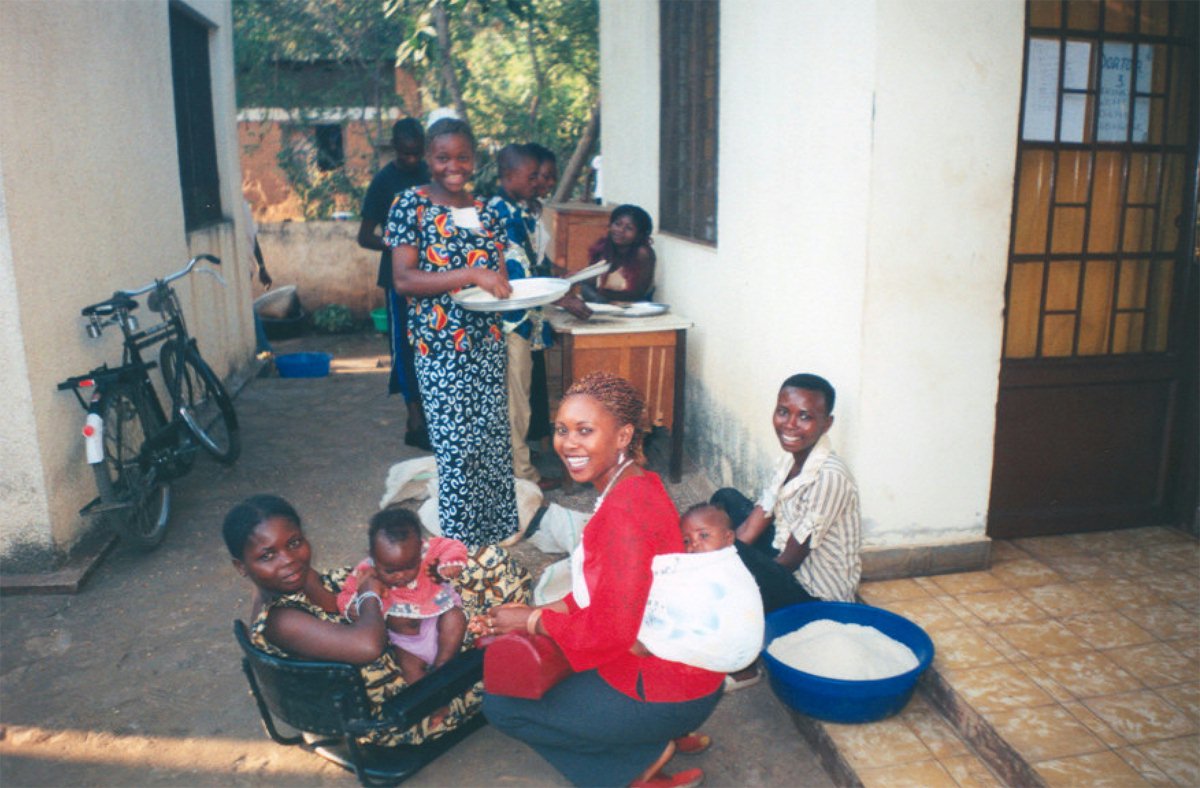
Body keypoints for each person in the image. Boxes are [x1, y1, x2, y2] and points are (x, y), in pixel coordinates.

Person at [478, 372, 722, 788]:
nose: (568, 444)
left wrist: (533, 622)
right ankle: (652, 738)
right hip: (687, 672)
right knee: (552, 656)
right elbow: (608, 593)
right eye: (561, 430)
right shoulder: (640, 484)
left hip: (671, 689)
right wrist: (535, 612)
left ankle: (638, 760)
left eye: (585, 431)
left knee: (502, 705)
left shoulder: (622, 516)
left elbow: (610, 629)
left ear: (624, 434)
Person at [224, 494, 531, 747]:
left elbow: (335, 604)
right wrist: (369, 595)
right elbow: (369, 645)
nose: (288, 559)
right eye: (267, 555)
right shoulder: (281, 620)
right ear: (241, 566)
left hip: (377, 656)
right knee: (491, 627)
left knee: (481, 567)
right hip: (386, 709)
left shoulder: (292, 580)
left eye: (293, 543)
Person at [384, 117, 520, 548]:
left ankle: (492, 550)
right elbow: (403, 279)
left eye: (462, 157)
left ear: (474, 160)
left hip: (486, 345)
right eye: (443, 157)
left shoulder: (486, 211)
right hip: (441, 349)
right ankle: (458, 555)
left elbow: (496, 279)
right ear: (429, 159)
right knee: (458, 454)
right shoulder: (411, 205)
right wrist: (470, 273)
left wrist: (504, 285)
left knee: (493, 450)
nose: (453, 166)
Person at [712, 373, 862, 604]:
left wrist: (733, 566)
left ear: (826, 424)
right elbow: (755, 523)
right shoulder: (789, 459)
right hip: (784, 556)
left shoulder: (829, 478)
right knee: (724, 502)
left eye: (804, 416)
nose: (790, 424)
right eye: (783, 412)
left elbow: (789, 563)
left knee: (723, 551)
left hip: (813, 592)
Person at [679, 502, 815, 691]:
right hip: (744, 616)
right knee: (725, 497)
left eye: (703, 535)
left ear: (728, 538)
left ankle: (745, 672)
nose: (694, 545)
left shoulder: (737, 574)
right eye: (687, 540)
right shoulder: (709, 564)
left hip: (788, 608)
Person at [488, 144, 561, 492]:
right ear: (507, 176)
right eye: (530, 176)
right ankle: (522, 475)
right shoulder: (498, 213)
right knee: (515, 401)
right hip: (509, 320)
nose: (537, 182)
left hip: (524, 317)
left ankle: (518, 467)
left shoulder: (521, 210)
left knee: (519, 398)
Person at [358, 118, 431, 450]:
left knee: (431, 345)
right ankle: (413, 416)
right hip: (398, 279)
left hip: (433, 277)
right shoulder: (384, 182)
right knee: (403, 346)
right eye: (406, 154)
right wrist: (398, 246)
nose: (412, 159)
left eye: (417, 153)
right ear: (395, 148)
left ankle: (432, 414)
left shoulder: (433, 175)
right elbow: (364, 236)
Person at [336, 507, 468, 684]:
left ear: (420, 547)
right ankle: (432, 701)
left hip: (436, 621)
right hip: (406, 643)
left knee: (455, 617)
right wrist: (350, 606)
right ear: (372, 556)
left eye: (409, 567)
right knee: (409, 669)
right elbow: (346, 593)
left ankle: (442, 666)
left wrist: (450, 563)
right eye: (390, 571)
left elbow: (451, 545)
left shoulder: (427, 550)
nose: (400, 576)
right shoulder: (365, 572)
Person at [580, 205, 656, 304]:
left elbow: (637, 294)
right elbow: (589, 283)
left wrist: (600, 295)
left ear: (639, 235)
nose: (620, 230)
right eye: (617, 224)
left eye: (629, 228)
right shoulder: (603, 247)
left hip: (633, 307)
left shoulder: (642, 254)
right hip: (602, 303)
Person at [243, 199, 274, 357]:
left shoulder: (239, 206)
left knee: (246, 309)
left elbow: (253, 239)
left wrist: (262, 268)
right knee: (247, 308)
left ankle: (264, 348)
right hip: (247, 265)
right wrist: (262, 267)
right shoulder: (243, 206)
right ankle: (264, 348)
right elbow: (254, 239)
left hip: (241, 266)